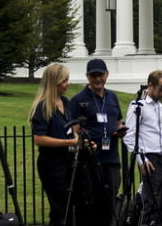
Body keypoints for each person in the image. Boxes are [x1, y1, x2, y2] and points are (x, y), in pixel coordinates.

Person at [69, 59, 125, 216]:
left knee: (110, 203)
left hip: (112, 158)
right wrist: (83, 141)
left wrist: (119, 131)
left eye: (100, 75)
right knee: (91, 204)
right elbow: (75, 131)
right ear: (87, 77)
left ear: (107, 75)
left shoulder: (112, 97)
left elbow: (117, 121)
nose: (97, 79)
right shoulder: (78, 100)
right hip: (90, 161)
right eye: (93, 75)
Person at [29, 63, 78, 226]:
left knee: (71, 205)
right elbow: (39, 138)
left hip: (69, 161)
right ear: (54, 82)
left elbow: (71, 128)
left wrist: (80, 141)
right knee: (60, 207)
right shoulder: (43, 106)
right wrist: (68, 142)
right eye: (64, 80)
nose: (68, 83)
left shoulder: (65, 101)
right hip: (52, 164)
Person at [124, 71, 162, 225]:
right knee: (150, 202)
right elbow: (129, 135)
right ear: (150, 85)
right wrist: (141, 158)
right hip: (150, 158)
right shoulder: (138, 105)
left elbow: (157, 133)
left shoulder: (159, 106)